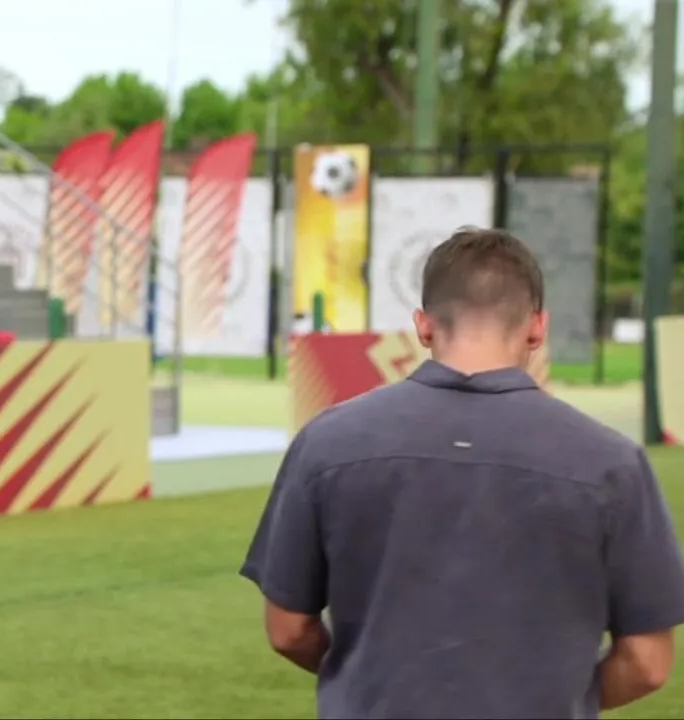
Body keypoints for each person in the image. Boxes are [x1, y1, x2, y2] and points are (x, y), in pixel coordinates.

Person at [241, 227, 684, 719]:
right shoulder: (611, 463)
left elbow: (288, 629)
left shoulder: (327, 442)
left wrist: (365, 686)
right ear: (538, 328)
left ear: (423, 326)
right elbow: (647, 663)